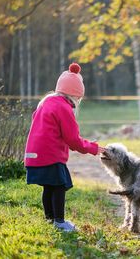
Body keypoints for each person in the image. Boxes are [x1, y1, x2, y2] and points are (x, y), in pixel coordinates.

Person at [24, 63, 105, 232]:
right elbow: (73, 140)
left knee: (49, 186)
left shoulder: (46, 102)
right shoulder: (63, 107)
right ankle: (59, 221)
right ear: (75, 95)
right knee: (59, 185)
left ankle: (50, 219)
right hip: (50, 154)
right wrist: (93, 148)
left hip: (34, 153)